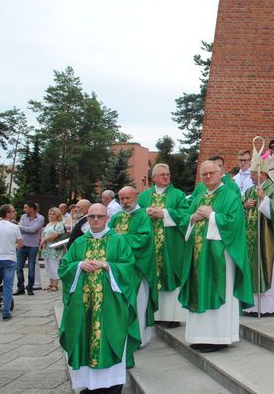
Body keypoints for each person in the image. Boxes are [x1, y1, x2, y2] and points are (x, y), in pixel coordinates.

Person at [59, 203, 139, 393]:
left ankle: (112, 385)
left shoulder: (119, 241)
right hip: (83, 307)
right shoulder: (79, 243)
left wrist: (107, 265)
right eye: (92, 216)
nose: (96, 220)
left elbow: (129, 268)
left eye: (100, 216)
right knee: (85, 340)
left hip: (111, 306)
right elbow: (64, 267)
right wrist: (79, 265)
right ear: (86, 218)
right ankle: (89, 385)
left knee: (111, 339)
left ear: (107, 218)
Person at [179, 160, 254, 352]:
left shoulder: (230, 196)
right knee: (199, 290)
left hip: (220, 256)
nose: (208, 177)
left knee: (217, 289)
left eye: (211, 173)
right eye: (204, 174)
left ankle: (218, 338)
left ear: (221, 174)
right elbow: (186, 218)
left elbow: (235, 223)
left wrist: (212, 215)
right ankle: (199, 336)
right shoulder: (199, 197)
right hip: (198, 257)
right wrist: (192, 218)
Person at [138, 163, 189, 328]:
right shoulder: (144, 196)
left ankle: (172, 317)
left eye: (168, 174)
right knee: (153, 276)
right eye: (162, 175)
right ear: (154, 178)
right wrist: (146, 214)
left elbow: (185, 215)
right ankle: (155, 315)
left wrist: (164, 213)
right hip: (151, 246)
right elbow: (137, 216)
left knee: (170, 277)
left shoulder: (178, 195)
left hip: (171, 246)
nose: (166, 177)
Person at [242, 153, 274, 314]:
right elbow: (239, 210)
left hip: (269, 239)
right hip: (251, 239)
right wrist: (245, 205)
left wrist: (264, 198)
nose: (249, 177)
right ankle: (253, 306)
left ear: (262, 174)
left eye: (252, 173)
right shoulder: (250, 190)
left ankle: (271, 305)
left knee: (268, 267)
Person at [109, 186, 156, 347]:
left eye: (128, 198)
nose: (125, 201)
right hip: (119, 269)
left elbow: (144, 239)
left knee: (138, 303)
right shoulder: (116, 217)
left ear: (135, 197)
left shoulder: (143, 216)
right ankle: (124, 337)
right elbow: (109, 238)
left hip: (138, 267)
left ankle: (139, 338)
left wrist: (121, 238)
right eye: (121, 198)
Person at [0, 204, 22, 320]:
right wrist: (12, 246)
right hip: (10, 258)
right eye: (13, 211)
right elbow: (20, 243)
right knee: (8, 287)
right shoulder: (15, 227)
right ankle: (6, 312)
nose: (15, 213)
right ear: (8, 214)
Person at [15, 201, 44, 296]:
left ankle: (30, 288)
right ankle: (20, 287)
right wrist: (23, 228)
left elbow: (33, 230)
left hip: (33, 246)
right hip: (22, 245)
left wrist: (21, 227)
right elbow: (19, 230)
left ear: (32, 208)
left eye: (26, 207)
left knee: (31, 268)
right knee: (19, 268)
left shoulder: (40, 218)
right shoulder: (23, 217)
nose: (24, 209)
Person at [40, 207, 66, 292]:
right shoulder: (48, 224)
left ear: (58, 215)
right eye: (50, 214)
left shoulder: (59, 224)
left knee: (54, 265)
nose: (51, 215)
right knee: (48, 266)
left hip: (54, 248)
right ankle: (50, 282)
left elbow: (55, 235)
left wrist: (44, 240)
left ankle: (55, 284)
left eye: (53, 214)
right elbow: (43, 234)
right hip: (46, 248)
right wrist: (42, 241)